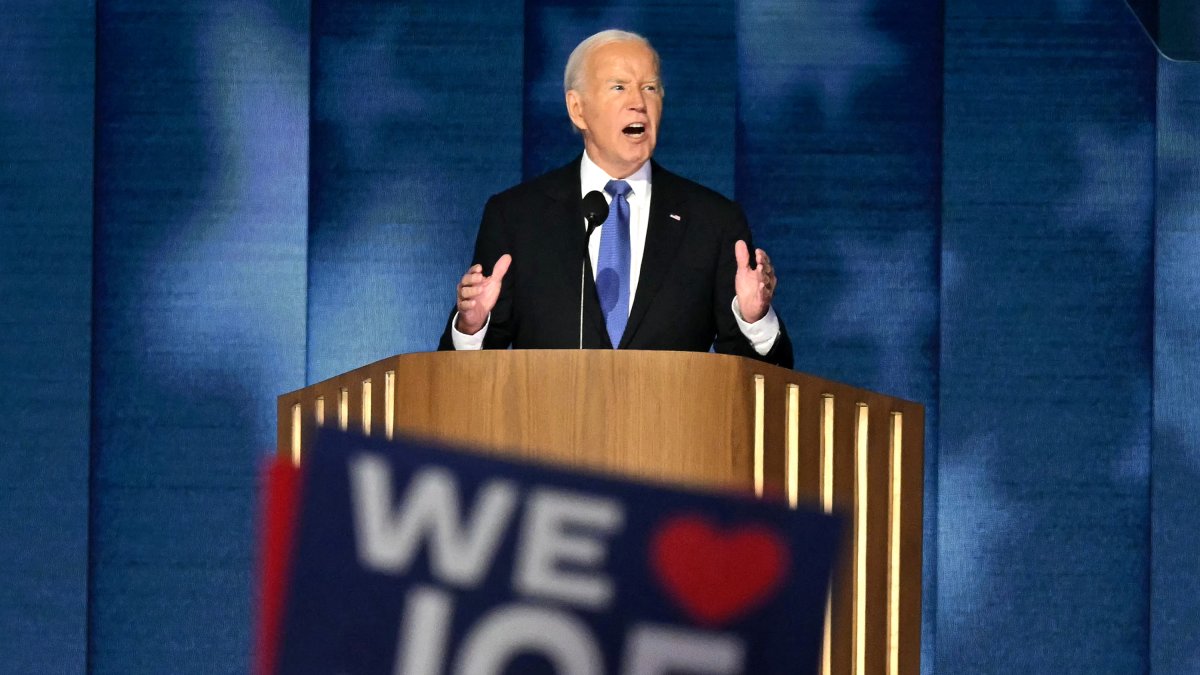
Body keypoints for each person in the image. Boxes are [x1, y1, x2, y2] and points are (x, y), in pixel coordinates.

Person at [438, 29, 792, 368]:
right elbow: (466, 380)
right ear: (578, 109)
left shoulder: (713, 221)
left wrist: (753, 319)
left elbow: (758, 384)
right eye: (619, 87)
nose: (638, 103)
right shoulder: (516, 218)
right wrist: (472, 326)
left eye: (650, 88)